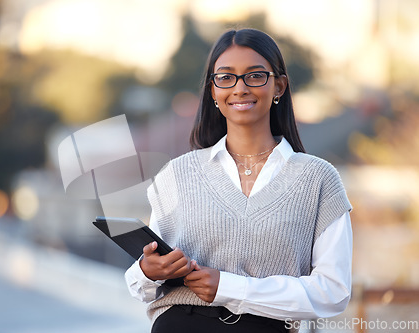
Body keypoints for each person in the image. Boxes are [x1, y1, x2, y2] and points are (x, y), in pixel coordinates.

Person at [125, 28, 352, 333]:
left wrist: (230, 288)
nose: (240, 88)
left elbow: (332, 293)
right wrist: (148, 271)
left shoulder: (318, 179)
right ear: (213, 90)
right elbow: (140, 285)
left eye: (255, 76)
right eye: (226, 77)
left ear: (279, 87)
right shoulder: (177, 175)